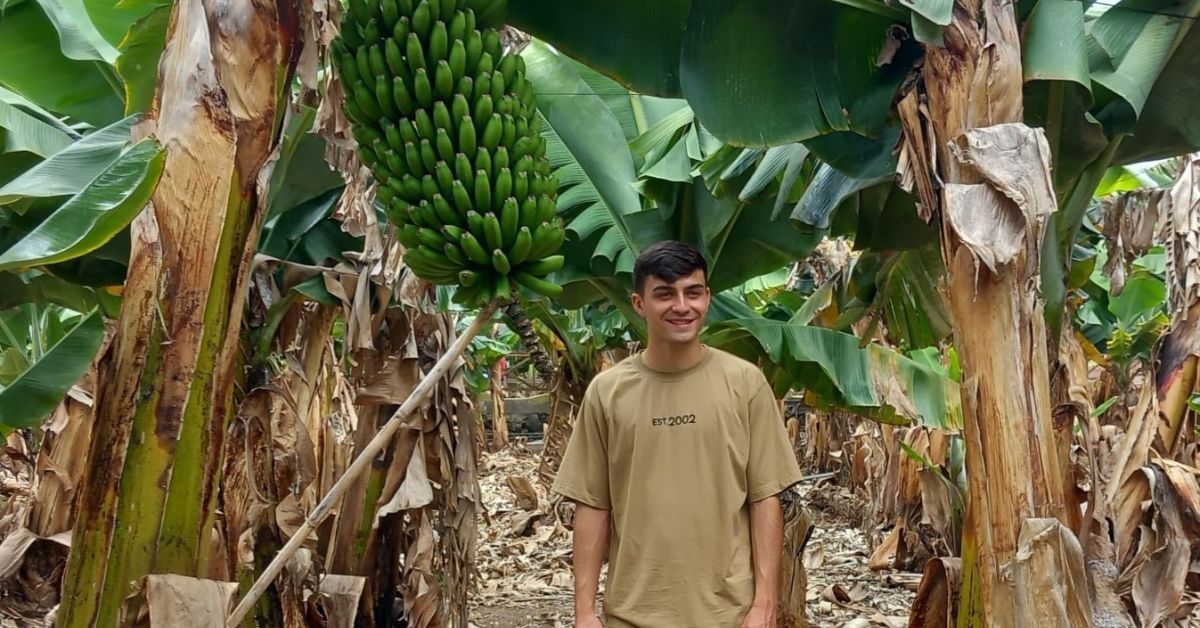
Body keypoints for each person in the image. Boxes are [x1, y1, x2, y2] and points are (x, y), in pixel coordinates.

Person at [552, 241, 803, 628]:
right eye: (665, 294)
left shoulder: (745, 383)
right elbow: (593, 503)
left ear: (708, 298)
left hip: (729, 614)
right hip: (632, 613)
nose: (682, 307)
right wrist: (584, 611)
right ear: (639, 303)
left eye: (693, 292)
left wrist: (765, 603)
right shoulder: (607, 391)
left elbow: (765, 496)